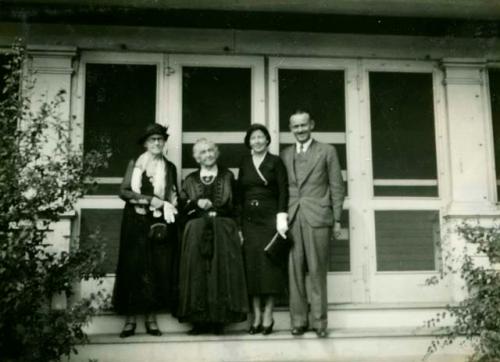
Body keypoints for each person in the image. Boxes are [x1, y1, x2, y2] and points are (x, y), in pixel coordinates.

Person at [280, 110, 345, 338]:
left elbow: (337, 186)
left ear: (312, 125)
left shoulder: (327, 151)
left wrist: (337, 220)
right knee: (294, 271)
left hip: (318, 217)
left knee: (317, 271)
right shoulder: (285, 154)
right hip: (293, 217)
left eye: (303, 125)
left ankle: (319, 323)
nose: (300, 130)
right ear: (291, 129)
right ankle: (298, 321)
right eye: (295, 126)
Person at [113, 123, 180, 338]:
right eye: (153, 140)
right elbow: (124, 192)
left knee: (155, 267)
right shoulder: (137, 163)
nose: (157, 143)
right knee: (133, 267)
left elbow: (172, 193)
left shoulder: (169, 167)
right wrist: (151, 200)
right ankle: (130, 320)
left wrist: (171, 204)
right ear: (145, 143)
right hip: (135, 220)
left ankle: (151, 318)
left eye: (160, 139)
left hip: (157, 222)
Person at [177, 138, 248, 335]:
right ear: (197, 157)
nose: (207, 155)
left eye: (210, 151)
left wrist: (239, 230)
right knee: (197, 273)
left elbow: (237, 206)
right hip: (197, 229)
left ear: (215, 153)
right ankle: (198, 322)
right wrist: (195, 204)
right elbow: (181, 208)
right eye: (203, 152)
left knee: (221, 272)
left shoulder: (227, 176)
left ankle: (219, 321)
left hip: (224, 229)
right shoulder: (190, 179)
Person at [238, 124, 289, 335]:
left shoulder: (275, 162)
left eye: (261, 137)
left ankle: (268, 313)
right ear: (249, 142)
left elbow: (284, 191)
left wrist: (281, 217)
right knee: (253, 267)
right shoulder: (244, 163)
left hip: (270, 219)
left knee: (269, 267)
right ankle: (256, 314)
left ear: (267, 140)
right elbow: (239, 195)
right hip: (250, 221)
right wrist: (240, 224)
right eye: (253, 138)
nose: (257, 141)